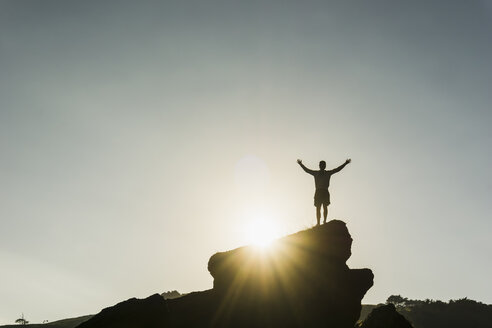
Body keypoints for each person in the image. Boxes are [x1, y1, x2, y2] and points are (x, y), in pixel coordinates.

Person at [297, 158, 351, 225]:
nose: (322, 166)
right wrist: (301, 164)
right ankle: (318, 223)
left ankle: (324, 221)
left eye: (323, 165)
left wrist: (345, 163)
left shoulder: (328, 173)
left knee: (325, 207)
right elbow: (307, 170)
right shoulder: (316, 173)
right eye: (321, 165)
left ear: (325, 166)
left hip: (325, 191)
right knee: (318, 208)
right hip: (318, 191)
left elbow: (337, 169)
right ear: (319, 166)